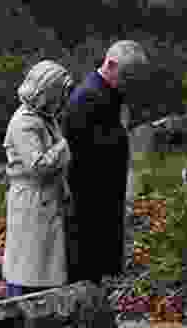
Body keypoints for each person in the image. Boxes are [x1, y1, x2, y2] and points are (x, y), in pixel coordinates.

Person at [63, 40, 149, 284]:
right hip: (87, 206)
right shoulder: (88, 97)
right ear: (110, 64)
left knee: (94, 277)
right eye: (125, 78)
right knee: (84, 277)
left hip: (101, 202)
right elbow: (80, 156)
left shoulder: (109, 94)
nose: (128, 86)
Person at [2, 60, 76, 298]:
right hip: (31, 203)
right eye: (61, 95)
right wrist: (69, 142)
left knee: (43, 268)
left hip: (46, 201)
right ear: (48, 92)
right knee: (28, 268)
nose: (63, 102)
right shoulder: (23, 123)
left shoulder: (45, 118)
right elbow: (38, 166)